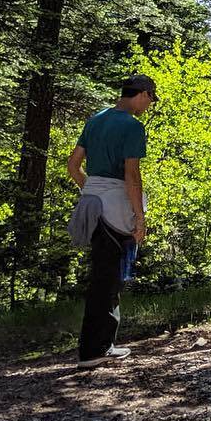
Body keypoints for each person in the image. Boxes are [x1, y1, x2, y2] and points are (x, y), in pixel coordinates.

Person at [67, 74, 155, 367]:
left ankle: (102, 344)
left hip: (92, 202)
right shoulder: (132, 126)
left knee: (102, 272)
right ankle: (94, 350)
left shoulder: (96, 119)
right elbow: (132, 176)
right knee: (110, 275)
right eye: (150, 99)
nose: (149, 105)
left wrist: (91, 188)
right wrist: (139, 219)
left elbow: (73, 164)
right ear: (142, 94)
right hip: (115, 206)